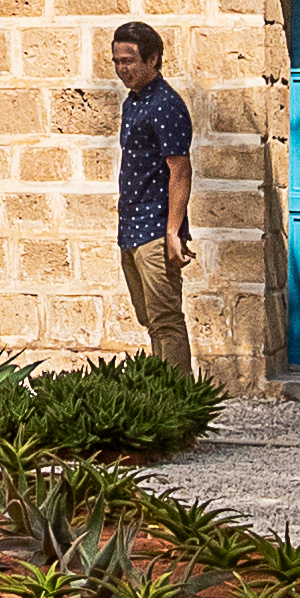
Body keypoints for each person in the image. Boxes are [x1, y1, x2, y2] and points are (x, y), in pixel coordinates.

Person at [110, 20, 200, 377]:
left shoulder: (166, 105)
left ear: (153, 58)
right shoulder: (133, 103)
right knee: (150, 320)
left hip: (155, 230)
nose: (122, 69)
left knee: (166, 321)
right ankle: (161, 401)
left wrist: (173, 233)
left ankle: (180, 413)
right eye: (117, 61)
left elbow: (180, 170)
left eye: (129, 60)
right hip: (130, 228)